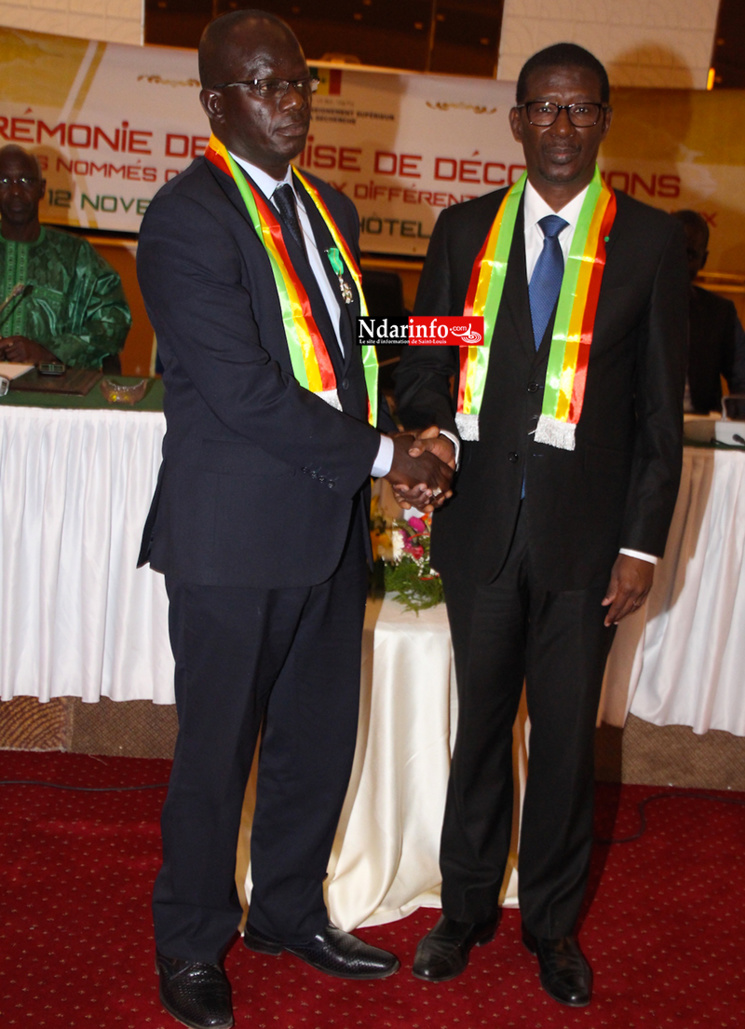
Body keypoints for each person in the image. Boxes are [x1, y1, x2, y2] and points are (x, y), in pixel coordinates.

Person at [136, 10, 452, 1029]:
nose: (290, 104)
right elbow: (241, 388)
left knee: (318, 741)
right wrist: (384, 459)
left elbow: (352, 335)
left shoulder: (331, 212)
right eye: (265, 88)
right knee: (217, 752)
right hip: (232, 538)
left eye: (299, 83)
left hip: (324, 532)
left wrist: (458, 342)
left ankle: (285, 912)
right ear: (216, 103)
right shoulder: (187, 220)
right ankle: (190, 941)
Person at [394, 42, 688, 1008]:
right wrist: (428, 428)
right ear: (515, 121)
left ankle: (552, 927)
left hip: (584, 549)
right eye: (543, 110)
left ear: (603, 122)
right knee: (476, 732)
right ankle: (465, 909)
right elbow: (419, 358)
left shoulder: (647, 245)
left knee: (564, 744)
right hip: (479, 534)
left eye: (580, 111)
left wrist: (641, 545)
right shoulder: (460, 229)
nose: (560, 127)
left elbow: (655, 417)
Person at [0, 144, 130, 369]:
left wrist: (49, 352)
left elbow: (113, 321)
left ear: (42, 189)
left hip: (57, 393)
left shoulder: (77, 256)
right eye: (3, 181)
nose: (15, 192)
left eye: (26, 181)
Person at [672, 209, 745, 414]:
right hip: (639, 433)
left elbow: (743, 382)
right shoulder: (632, 305)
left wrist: (732, 428)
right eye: (675, 250)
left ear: (703, 261)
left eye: (690, 254)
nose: (680, 262)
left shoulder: (721, 314)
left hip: (703, 433)